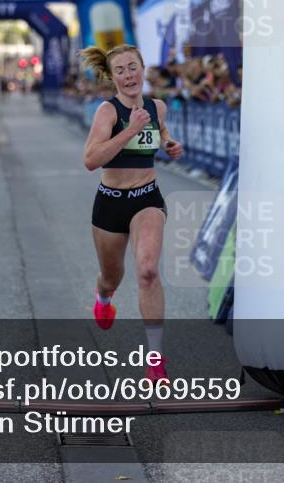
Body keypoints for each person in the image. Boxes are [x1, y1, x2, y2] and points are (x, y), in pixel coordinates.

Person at [80, 44, 183, 382]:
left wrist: (170, 145)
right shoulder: (107, 113)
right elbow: (91, 160)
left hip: (146, 199)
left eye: (132, 67)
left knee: (148, 271)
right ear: (112, 78)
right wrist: (129, 130)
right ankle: (104, 295)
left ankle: (155, 359)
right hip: (110, 202)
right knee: (113, 276)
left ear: (143, 69)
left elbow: (162, 135)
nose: (128, 75)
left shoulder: (157, 107)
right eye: (120, 71)